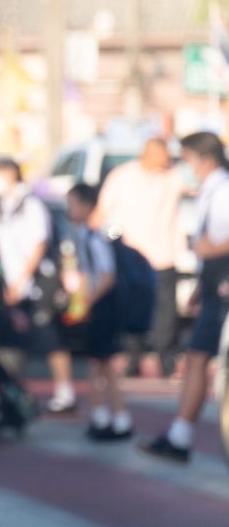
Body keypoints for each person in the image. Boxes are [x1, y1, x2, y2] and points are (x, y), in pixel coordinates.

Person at [140, 132, 229, 462]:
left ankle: (181, 436)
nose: (182, 167)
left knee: (198, 357)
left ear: (205, 160)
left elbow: (217, 242)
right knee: (196, 357)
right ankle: (180, 435)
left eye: (186, 159)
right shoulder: (210, 190)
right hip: (214, 284)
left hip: (223, 285)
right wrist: (200, 284)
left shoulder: (222, 190)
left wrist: (210, 250)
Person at [0, 158, 75, 413]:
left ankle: (65, 393)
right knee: (7, 343)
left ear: (10, 173)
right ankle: (11, 392)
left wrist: (22, 280)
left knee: (52, 340)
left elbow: (39, 245)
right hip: (13, 284)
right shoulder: (6, 205)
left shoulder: (31, 204)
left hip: (35, 284)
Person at [90, 138, 184, 377]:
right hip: (132, 253)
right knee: (133, 310)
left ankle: (167, 360)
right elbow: (101, 212)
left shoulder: (172, 176)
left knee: (166, 312)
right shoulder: (122, 177)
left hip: (164, 252)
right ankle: (133, 359)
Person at [67, 184, 134, 440]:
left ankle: (111, 418)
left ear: (86, 206)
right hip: (98, 304)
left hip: (102, 306)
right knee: (100, 365)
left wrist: (86, 302)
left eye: (72, 205)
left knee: (100, 365)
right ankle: (111, 417)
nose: (70, 211)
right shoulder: (85, 235)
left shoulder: (95, 238)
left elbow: (106, 277)